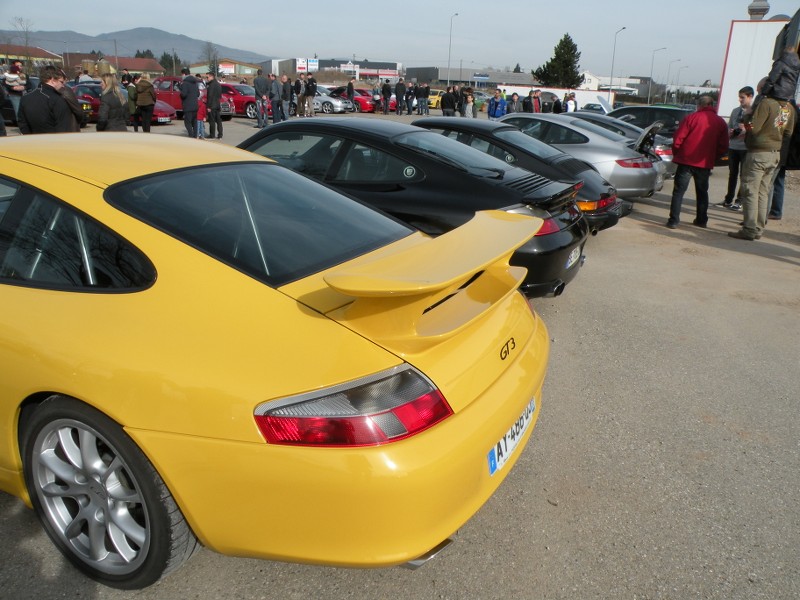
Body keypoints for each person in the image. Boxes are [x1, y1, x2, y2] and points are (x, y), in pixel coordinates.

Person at [728, 85, 795, 240]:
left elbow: (754, 128)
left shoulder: (767, 104)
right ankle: (758, 227)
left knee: (750, 190)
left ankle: (749, 229)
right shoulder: (788, 107)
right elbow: (788, 132)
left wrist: (747, 117)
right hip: (774, 153)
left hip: (758, 153)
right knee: (763, 191)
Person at [665, 95, 729, 229]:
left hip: (686, 160)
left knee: (678, 192)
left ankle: (674, 220)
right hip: (704, 163)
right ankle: (701, 219)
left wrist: (678, 154)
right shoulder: (720, 122)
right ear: (712, 105)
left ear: (699, 105)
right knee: (702, 192)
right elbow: (723, 145)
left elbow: (678, 139)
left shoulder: (691, 118)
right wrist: (713, 157)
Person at [717, 86, 754, 210]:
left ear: (750, 97)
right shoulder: (735, 111)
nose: (740, 100)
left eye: (742, 97)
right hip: (733, 146)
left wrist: (745, 130)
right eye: (739, 97)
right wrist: (731, 131)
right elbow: (730, 127)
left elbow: (755, 127)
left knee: (744, 175)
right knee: (732, 173)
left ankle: (739, 200)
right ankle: (728, 199)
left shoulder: (755, 111)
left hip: (745, 148)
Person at [17, 65, 74, 134]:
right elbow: (64, 127)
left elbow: (22, 123)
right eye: (61, 82)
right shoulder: (57, 99)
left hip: (33, 140)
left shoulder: (25, 98)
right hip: (54, 141)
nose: (63, 85)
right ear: (53, 80)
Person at [768, 100, 800, 220]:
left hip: (781, 151)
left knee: (773, 182)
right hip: (786, 151)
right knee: (778, 181)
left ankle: (774, 211)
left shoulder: (786, 109)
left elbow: (779, 130)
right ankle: (775, 211)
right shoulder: (793, 108)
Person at [179, 67, 199, 138]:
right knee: (195, 122)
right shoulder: (195, 83)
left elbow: (184, 94)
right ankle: (195, 135)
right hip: (195, 106)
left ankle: (191, 136)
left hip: (188, 106)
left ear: (184, 74)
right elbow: (198, 94)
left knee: (187, 122)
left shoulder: (185, 83)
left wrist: (180, 93)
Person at [205, 70, 223, 139]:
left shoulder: (211, 85)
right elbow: (220, 95)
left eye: (207, 77)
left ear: (211, 77)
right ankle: (220, 134)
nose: (207, 79)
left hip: (212, 105)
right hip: (217, 104)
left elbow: (210, 96)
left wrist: (208, 106)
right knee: (218, 120)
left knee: (212, 120)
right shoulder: (218, 84)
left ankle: (212, 135)